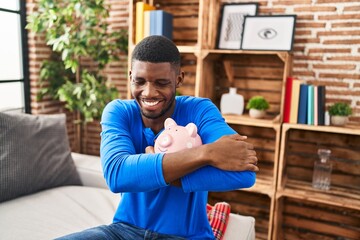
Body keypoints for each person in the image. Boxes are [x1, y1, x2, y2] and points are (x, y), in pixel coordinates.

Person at [57, 35, 258, 240]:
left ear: (179, 79)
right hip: (123, 231)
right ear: (130, 77)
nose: (149, 92)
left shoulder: (200, 111)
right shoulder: (118, 112)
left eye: (161, 83)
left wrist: (150, 170)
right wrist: (206, 153)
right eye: (140, 81)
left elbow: (244, 174)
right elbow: (117, 175)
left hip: (186, 236)